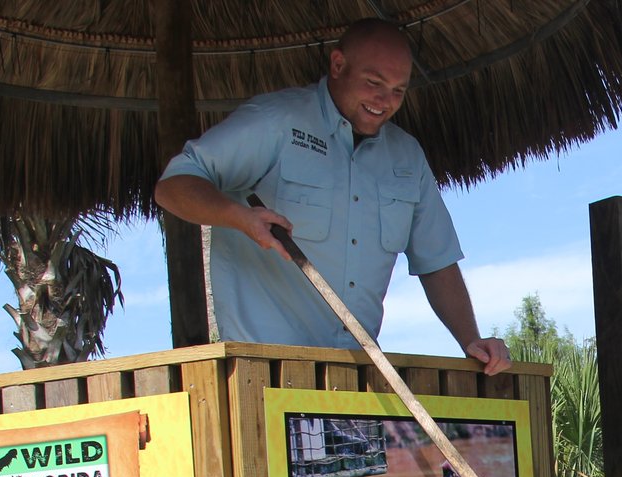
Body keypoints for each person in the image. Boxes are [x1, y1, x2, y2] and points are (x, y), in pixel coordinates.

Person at [155, 20, 511, 375]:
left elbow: (438, 262)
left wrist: (470, 340)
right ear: (338, 65)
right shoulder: (275, 121)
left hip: (357, 377)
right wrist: (239, 218)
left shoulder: (407, 157)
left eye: (398, 91)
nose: (384, 101)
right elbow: (172, 186)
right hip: (264, 373)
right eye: (374, 84)